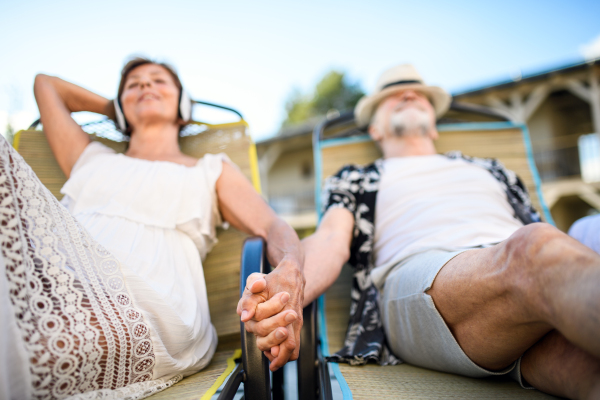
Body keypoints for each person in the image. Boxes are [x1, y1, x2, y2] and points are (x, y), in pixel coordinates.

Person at [239, 64, 600, 399]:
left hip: (522, 267)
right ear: (375, 128)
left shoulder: (491, 168)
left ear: (434, 123)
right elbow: (332, 240)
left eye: (419, 93)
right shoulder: (357, 177)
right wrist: (288, 292)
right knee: (533, 251)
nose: (409, 94)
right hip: (424, 273)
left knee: (576, 363)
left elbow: (544, 230)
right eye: (392, 95)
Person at [0, 57, 304, 399]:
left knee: (35, 342)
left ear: (183, 105)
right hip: (56, 270)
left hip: (152, 295)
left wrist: (291, 267)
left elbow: (271, 224)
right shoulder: (90, 157)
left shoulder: (210, 169)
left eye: (158, 81)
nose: (145, 86)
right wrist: (119, 107)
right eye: (133, 85)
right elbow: (46, 84)